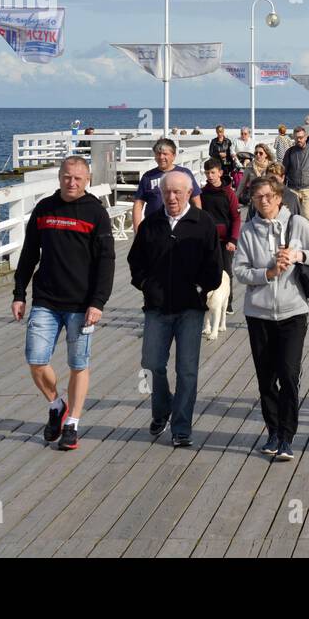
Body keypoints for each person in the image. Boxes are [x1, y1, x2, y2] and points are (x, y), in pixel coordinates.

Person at [12, 156, 114, 451]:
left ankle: (72, 425)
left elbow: (107, 261)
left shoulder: (96, 213)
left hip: (81, 304)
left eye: (78, 179)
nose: (72, 183)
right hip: (45, 299)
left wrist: (98, 302)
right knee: (36, 359)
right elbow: (29, 253)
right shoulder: (45, 209)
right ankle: (57, 405)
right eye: (67, 177)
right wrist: (19, 293)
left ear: (88, 180)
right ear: (59, 177)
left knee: (78, 364)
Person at [234, 176, 309, 461]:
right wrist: (268, 274)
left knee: (288, 375)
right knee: (266, 377)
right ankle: (272, 432)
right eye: (257, 197)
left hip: (292, 311)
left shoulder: (296, 223)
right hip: (259, 313)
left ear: (279, 198)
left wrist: (298, 255)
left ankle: (287, 436)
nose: (263, 201)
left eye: (267, 196)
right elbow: (239, 271)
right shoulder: (248, 231)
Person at [127, 170, 223, 447]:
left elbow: (214, 266)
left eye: (177, 192)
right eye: (166, 192)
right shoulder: (150, 225)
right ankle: (162, 409)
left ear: (188, 194)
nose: (171, 197)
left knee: (187, 370)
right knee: (152, 364)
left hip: (190, 309)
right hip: (156, 307)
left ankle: (181, 428)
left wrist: (200, 288)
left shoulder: (202, 222)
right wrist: (146, 285)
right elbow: (136, 263)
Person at [200, 157, 242, 318]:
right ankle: (206, 300)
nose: (210, 176)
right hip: (208, 240)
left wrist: (233, 240)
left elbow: (236, 218)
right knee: (206, 271)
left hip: (226, 241)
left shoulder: (229, 193)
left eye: (213, 172)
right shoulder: (203, 193)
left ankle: (228, 303)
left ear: (220, 173)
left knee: (226, 272)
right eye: (207, 172)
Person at [132, 138, 201, 233]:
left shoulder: (184, 173)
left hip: (181, 226)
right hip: (154, 227)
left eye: (165, 154)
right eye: (158, 154)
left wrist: (197, 223)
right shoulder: (148, 176)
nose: (161, 157)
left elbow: (196, 199)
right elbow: (138, 204)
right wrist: (137, 229)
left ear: (173, 156)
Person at [283, 126, 309, 222]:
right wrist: (281, 190)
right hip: (292, 189)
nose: (299, 140)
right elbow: (283, 172)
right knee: (291, 218)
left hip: (307, 188)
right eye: (297, 138)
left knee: (308, 216)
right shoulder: (290, 152)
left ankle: (308, 237)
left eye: (301, 137)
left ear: (306, 137)